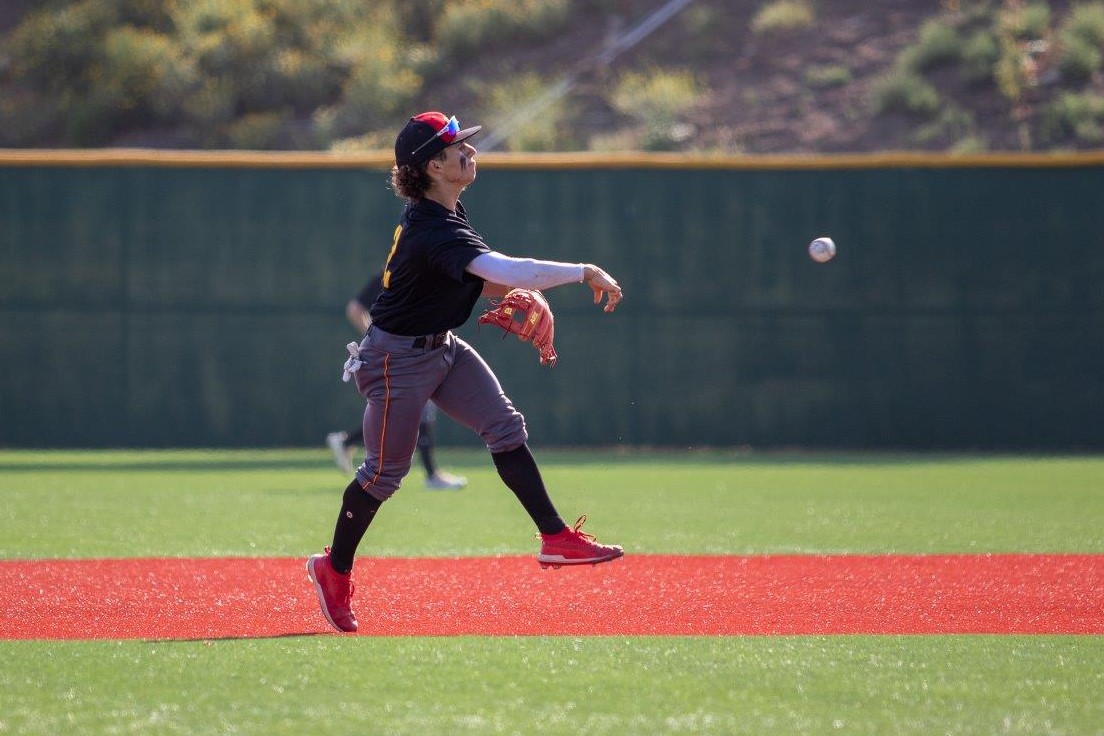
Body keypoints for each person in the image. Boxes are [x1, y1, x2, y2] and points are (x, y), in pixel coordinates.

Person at [306, 111, 625, 633]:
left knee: (505, 427)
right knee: (383, 476)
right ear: (433, 165)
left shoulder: (447, 216)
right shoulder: (433, 227)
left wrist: (523, 289)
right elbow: (504, 271)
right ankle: (333, 569)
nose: (470, 153)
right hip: (396, 360)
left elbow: (482, 281)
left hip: (440, 347)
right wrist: (582, 271)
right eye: (458, 148)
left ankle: (555, 537)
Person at [326, 274, 468, 490]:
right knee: (414, 410)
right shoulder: (394, 272)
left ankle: (347, 442)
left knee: (402, 411)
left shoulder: (417, 271)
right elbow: (355, 309)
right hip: (399, 355)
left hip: (412, 352)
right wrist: (375, 340)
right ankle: (431, 475)